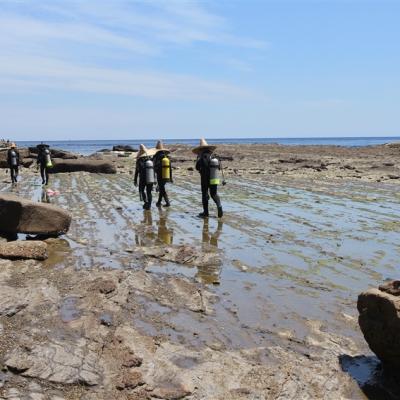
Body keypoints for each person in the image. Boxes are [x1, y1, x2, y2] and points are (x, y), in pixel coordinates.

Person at [193, 138, 224, 218]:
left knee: (205, 195)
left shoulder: (202, 157)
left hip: (205, 179)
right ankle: (219, 206)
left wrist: (198, 159)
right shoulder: (213, 156)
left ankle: (206, 213)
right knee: (214, 194)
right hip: (214, 177)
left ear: (201, 149)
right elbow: (219, 167)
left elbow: (197, 167)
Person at [134, 144, 156, 210]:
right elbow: (153, 170)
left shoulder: (139, 160)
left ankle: (146, 202)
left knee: (141, 190)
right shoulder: (150, 160)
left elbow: (137, 171)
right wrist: (154, 179)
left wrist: (135, 180)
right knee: (149, 192)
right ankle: (149, 205)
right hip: (150, 178)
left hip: (142, 179)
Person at [153, 140, 173, 207]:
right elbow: (170, 167)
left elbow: (155, 167)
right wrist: (171, 177)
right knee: (161, 188)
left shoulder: (156, 156)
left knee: (162, 189)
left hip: (160, 175)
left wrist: (154, 178)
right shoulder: (166, 157)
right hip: (166, 174)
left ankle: (167, 203)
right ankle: (159, 202)